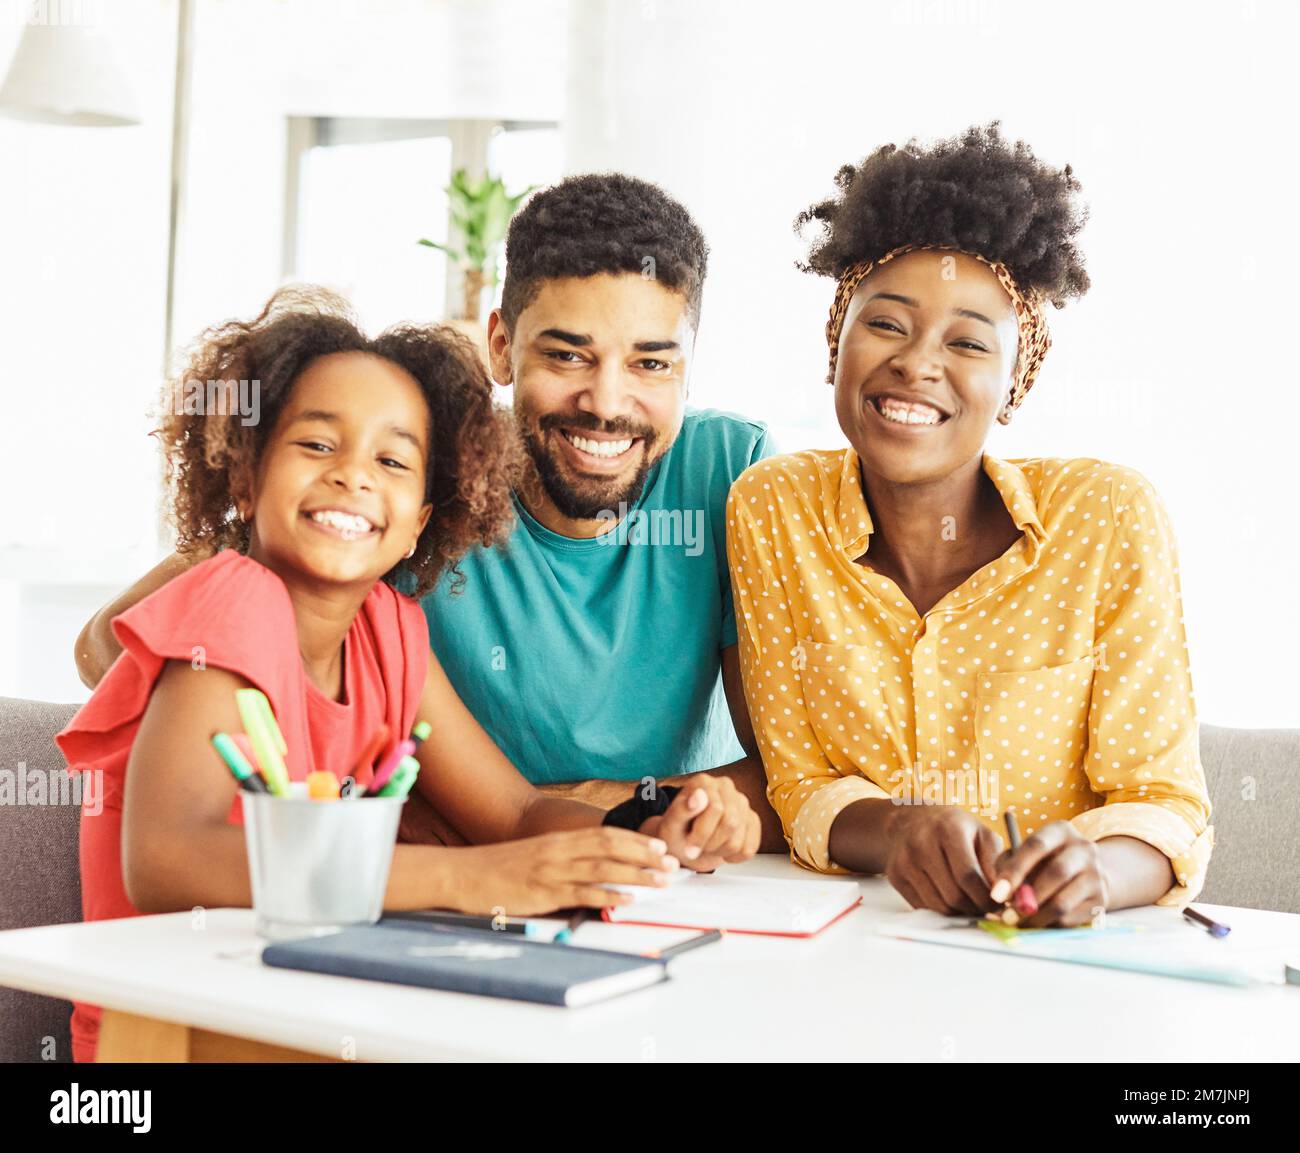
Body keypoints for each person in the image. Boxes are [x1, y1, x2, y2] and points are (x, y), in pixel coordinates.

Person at [56, 287, 727, 1062]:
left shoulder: (390, 629)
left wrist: (643, 829)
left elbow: (511, 816)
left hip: (306, 1004)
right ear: (244, 479)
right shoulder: (229, 601)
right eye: (316, 445)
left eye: (392, 459)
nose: (352, 476)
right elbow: (168, 860)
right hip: (177, 1033)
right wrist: (468, 879)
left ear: (420, 520)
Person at [75, 173, 781, 857]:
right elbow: (108, 645)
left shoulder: (733, 468)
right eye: (567, 355)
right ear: (501, 345)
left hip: (614, 866)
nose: (606, 400)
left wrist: (606, 807)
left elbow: (785, 775)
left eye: (651, 364)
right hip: (444, 877)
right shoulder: (413, 474)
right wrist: (354, 799)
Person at [726, 124, 1213, 926]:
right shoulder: (774, 508)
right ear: (835, 339)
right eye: (885, 324)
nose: (918, 363)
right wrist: (899, 828)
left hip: (1067, 968)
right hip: (858, 950)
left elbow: (1162, 804)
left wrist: (1095, 870)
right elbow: (801, 784)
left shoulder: (1108, 519)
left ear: (1013, 379)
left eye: (967, 342)